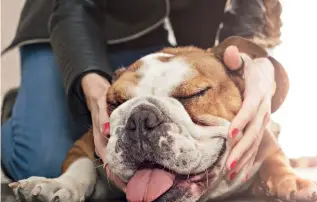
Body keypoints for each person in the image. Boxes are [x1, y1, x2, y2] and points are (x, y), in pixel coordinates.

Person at [1, 0, 287, 183]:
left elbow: (249, 14)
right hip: (64, 21)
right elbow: (71, 6)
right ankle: (20, 108)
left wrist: (253, 63)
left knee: (156, 128)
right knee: (44, 163)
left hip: (146, 31)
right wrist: (90, 81)